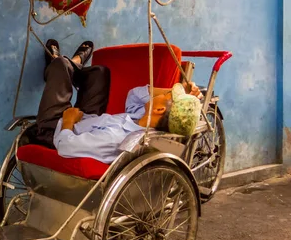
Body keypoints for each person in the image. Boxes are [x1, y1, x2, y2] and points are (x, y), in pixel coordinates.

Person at [34, 39, 201, 164]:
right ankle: (73, 64)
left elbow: (66, 147)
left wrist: (68, 121)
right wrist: (180, 91)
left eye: (167, 96)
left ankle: (61, 64)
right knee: (100, 72)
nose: (165, 93)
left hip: (56, 128)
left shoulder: (116, 138)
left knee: (59, 64)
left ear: (159, 110)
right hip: (88, 118)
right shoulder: (141, 118)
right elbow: (135, 94)